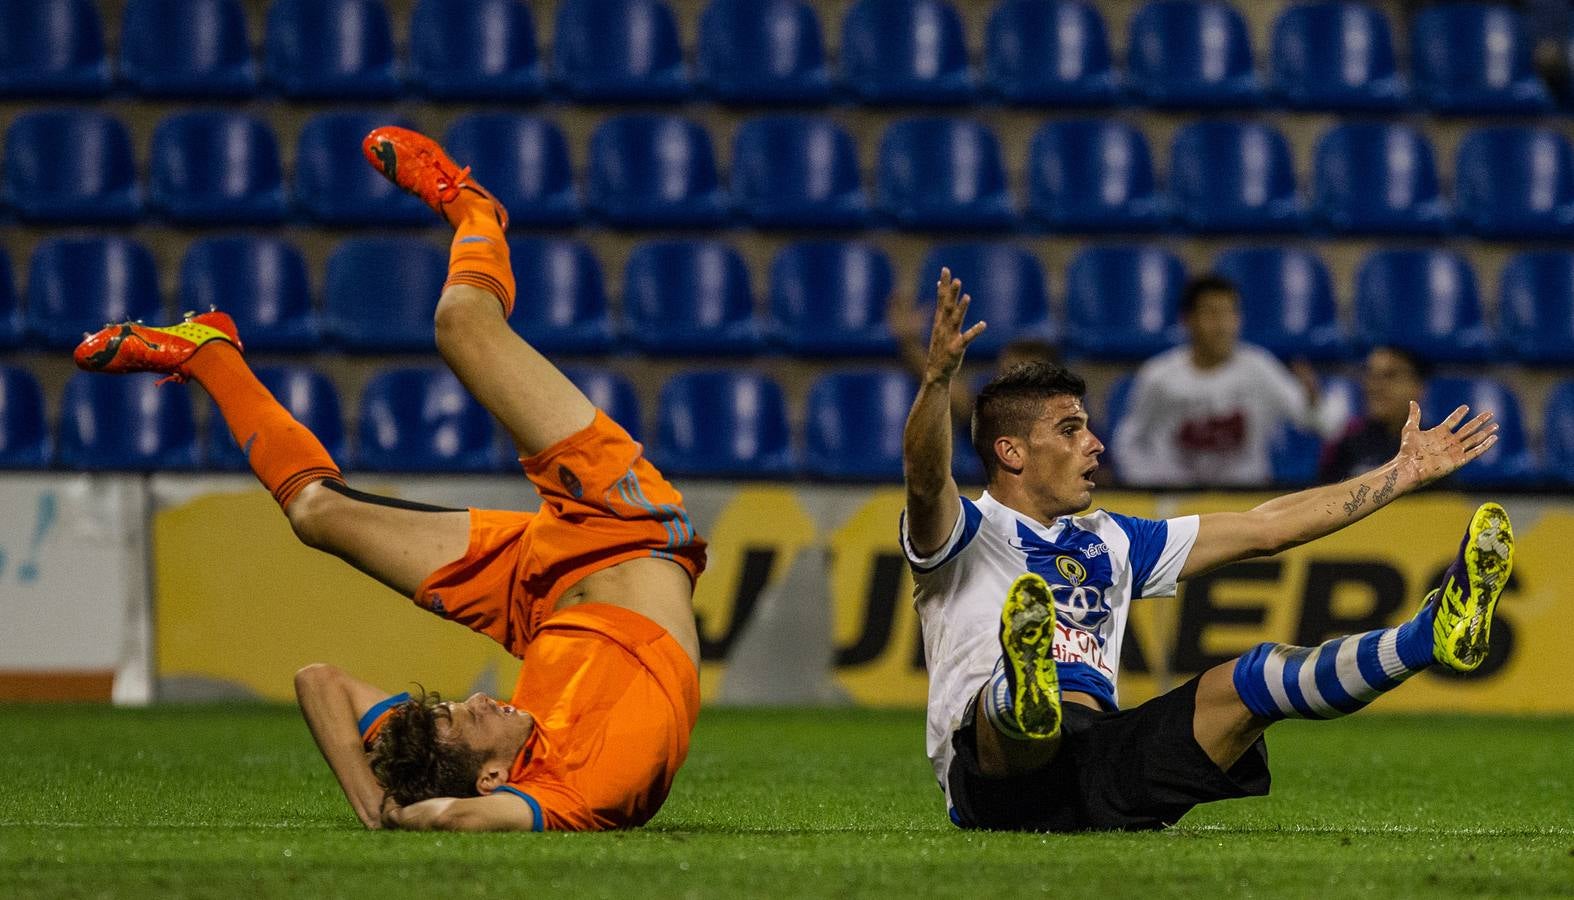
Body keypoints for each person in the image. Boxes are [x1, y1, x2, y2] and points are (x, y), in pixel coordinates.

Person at [73, 127, 707, 832]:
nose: (467, 701)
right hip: (626, 528)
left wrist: (372, 807)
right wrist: (406, 820)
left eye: (446, 710)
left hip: (538, 599)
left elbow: (321, 681)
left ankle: (208, 352)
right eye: (456, 720)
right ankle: (475, 210)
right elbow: (454, 821)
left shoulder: (480, 755)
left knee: (316, 515)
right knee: (463, 323)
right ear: (494, 780)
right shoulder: (581, 792)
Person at [901, 269, 1511, 831]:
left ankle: (1431, 636)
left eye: (1087, 426)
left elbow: (1267, 527)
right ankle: (1022, 691)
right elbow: (927, 480)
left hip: (1103, 767)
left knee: (1258, 677)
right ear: (1011, 452)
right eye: (1070, 430)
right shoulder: (965, 532)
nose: (1095, 444)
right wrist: (936, 384)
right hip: (993, 778)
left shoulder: (1112, 538)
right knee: (1014, 710)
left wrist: (1397, 475)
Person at [1112, 274, 1348, 487]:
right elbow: (1129, 441)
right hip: (1176, 506)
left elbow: (1326, 425)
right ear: (1188, 320)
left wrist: (1313, 402)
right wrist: (1150, 488)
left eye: (1230, 313)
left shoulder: (1259, 369)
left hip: (1245, 501)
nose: (1223, 325)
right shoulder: (1158, 377)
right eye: (1212, 314)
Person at [1320, 346, 1430, 484]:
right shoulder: (1345, 446)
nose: (1376, 386)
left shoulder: (1433, 447)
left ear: (1418, 387)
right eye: (1371, 376)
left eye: (1390, 375)